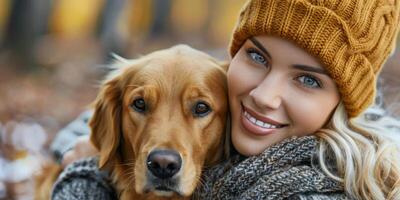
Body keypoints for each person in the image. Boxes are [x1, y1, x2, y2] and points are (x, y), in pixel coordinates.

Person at [51, 0, 400, 199]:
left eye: (308, 79)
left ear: (344, 103)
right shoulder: (230, 106)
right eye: (258, 57)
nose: (263, 96)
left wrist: (83, 176)